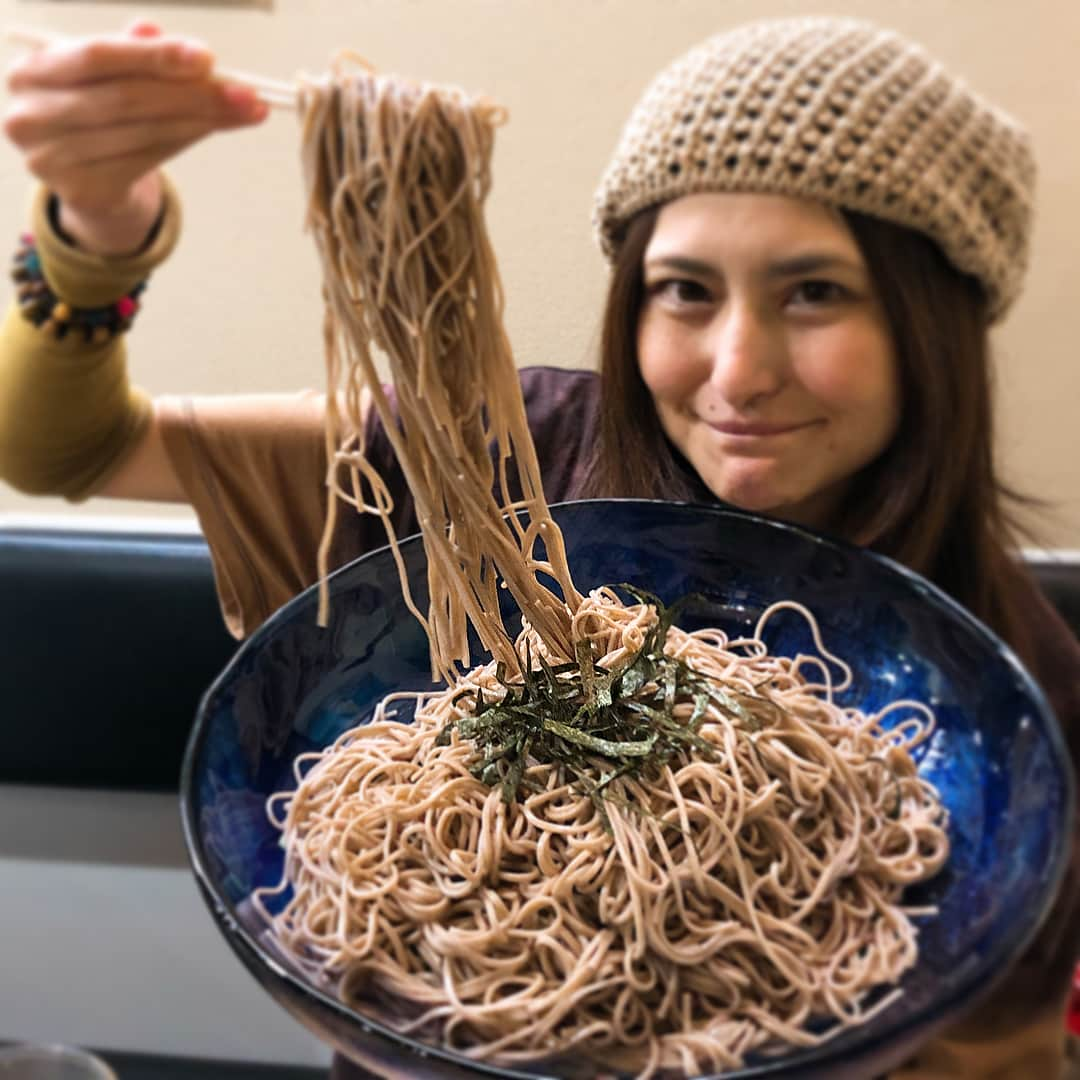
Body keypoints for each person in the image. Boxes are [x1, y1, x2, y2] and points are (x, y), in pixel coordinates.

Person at [1, 14, 1078, 1079]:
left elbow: (1010, 1053)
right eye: (685, 291)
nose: (739, 369)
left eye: (815, 293)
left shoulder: (1019, 705)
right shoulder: (476, 461)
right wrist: (95, 232)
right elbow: (67, 445)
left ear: (932, 321)